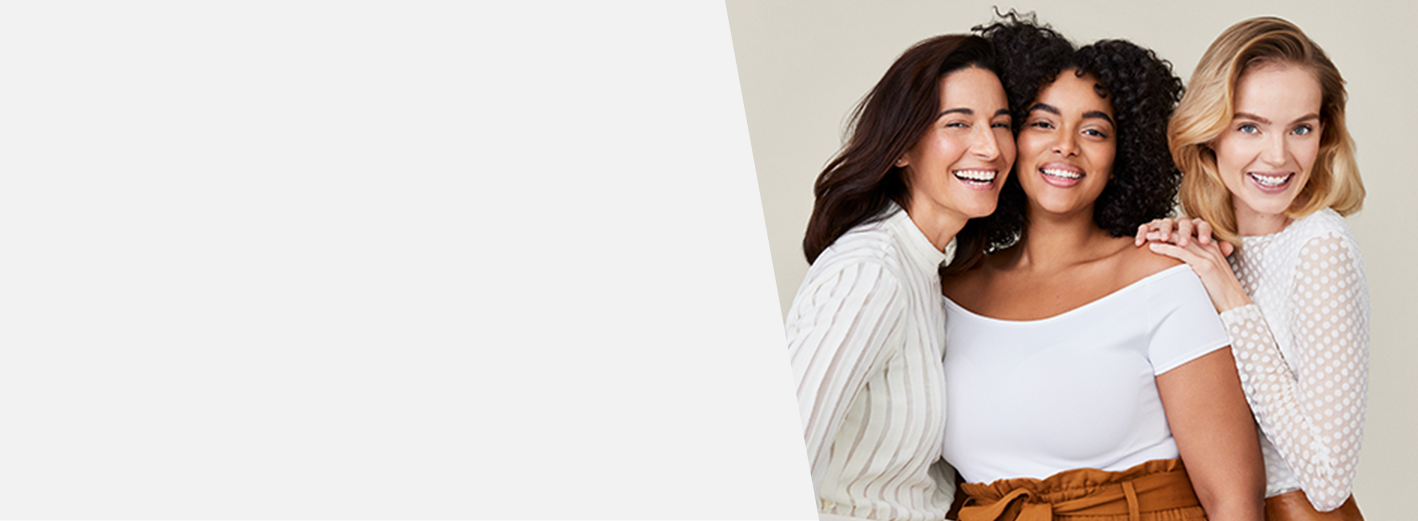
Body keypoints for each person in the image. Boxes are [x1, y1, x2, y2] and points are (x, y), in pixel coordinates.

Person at [938, 13, 1264, 521]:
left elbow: (1234, 501)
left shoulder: (1162, 276)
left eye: (1093, 130)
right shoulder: (948, 291)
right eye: (1042, 123)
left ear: (1122, 154)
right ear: (1007, 138)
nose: (1066, 145)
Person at [1137, 16, 1368, 520]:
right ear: (1210, 133)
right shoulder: (1216, 245)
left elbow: (1328, 480)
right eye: (1250, 127)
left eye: (1300, 128)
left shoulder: (1320, 246)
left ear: (1324, 134)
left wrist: (1230, 299)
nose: (1278, 156)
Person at [783, 34, 1015, 521]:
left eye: (1001, 124)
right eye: (958, 123)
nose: (990, 147)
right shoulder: (871, 274)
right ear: (902, 148)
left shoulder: (930, 270)